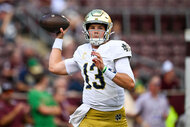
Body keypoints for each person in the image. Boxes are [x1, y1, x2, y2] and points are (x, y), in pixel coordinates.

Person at [49, 9, 135, 127]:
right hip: (90, 115)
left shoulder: (117, 47)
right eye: (92, 27)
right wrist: (59, 39)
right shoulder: (82, 50)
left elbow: (129, 83)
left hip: (114, 117)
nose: (95, 31)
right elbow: (54, 67)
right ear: (86, 29)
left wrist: (104, 69)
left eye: (100, 28)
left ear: (107, 29)